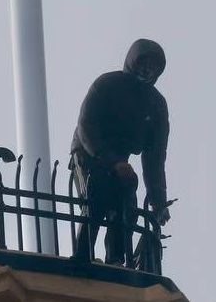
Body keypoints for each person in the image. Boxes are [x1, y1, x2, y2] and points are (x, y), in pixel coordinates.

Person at [69, 38, 171, 265]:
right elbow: (86, 127)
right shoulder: (106, 85)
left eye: (155, 66)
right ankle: (82, 256)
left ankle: (115, 259)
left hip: (121, 166)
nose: (148, 69)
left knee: (126, 205)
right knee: (94, 197)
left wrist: (158, 198)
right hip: (88, 154)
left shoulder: (156, 105)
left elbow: (155, 156)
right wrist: (110, 160)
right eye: (145, 62)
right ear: (134, 60)